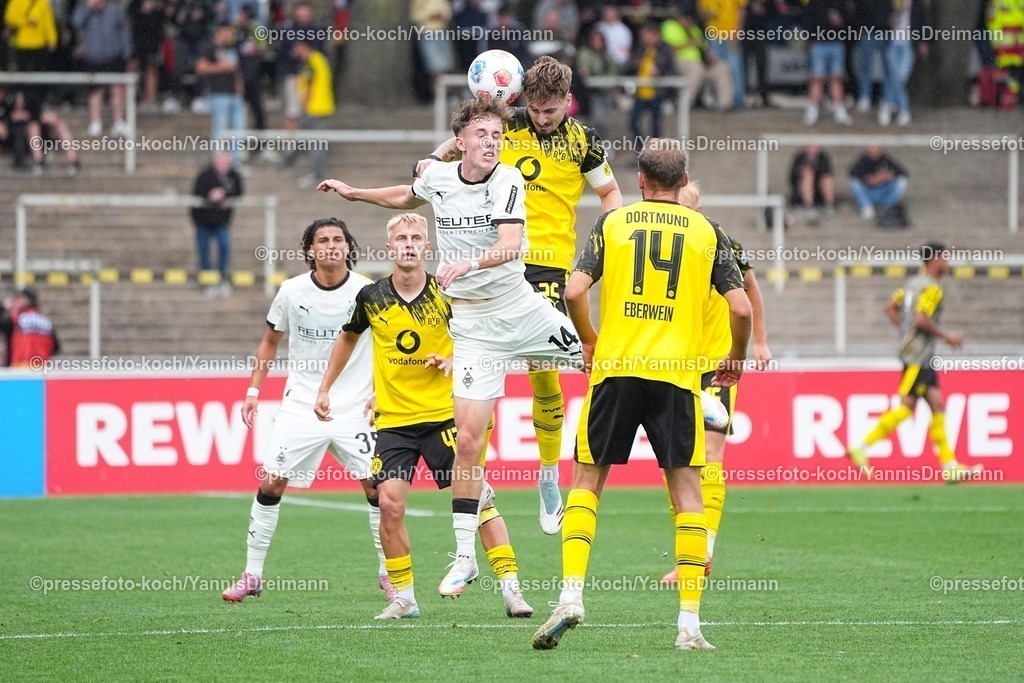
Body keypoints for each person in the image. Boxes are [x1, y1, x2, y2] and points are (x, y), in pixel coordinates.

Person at [318, 96, 584, 597]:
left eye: (498, 137)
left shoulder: (508, 180)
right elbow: (406, 196)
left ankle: (687, 389)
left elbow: (510, 244)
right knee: (467, 439)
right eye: (482, 135)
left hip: (519, 308)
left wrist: (468, 265)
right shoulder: (440, 177)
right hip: (476, 327)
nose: (492, 143)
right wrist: (354, 194)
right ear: (460, 141)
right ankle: (465, 555)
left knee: (595, 358)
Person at [531, 140, 751, 652]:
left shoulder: (614, 224)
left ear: (641, 182)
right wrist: (735, 358)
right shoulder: (707, 230)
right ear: (684, 179)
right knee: (688, 496)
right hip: (677, 377)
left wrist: (589, 340)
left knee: (588, 481)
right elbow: (740, 308)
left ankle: (570, 596)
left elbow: (573, 291)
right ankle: (690, 626)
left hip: (617, 368)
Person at [418, 56, 622, 535]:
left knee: (544, 376)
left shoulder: (585, 142)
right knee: (480, 385)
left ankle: (548, 476)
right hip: (498, 259)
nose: (541, 117)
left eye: (550, 110)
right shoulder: (507, 130)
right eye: (534, 109)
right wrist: (434, 157)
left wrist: (605, 239)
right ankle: (478, 482)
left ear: (566, 103)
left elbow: (611, 195)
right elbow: (466, 140)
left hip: (550, 262)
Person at [314, 212, 533, 620]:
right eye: (402, 238)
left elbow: (483, 333)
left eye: (417, 237)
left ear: (427, 247)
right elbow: (347, 336)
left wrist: (453, 357)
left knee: (478, 501)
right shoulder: (372, 298)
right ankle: (405, 598)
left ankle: (511, 590)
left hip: (447, 418)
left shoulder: (446, 293)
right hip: (395, 422)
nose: (409, 243)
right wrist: (325, 387)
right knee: (389, 504)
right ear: (389, 248)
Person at [221, 217, 391, 603]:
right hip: (300, 404)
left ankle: (388, 573)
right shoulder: (292, 291)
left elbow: (389, 345)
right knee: (272, 482)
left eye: (338, 239)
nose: (331, 245)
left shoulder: (370, 291)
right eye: (322, 240)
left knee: (377, 488)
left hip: (355, 409)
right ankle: (252, 574)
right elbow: (269, 342)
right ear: (310, 250)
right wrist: (252, 391)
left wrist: (382, 392)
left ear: (349, 247)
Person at [658, 179, 771, 586]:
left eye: (686, 212)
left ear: (699, 212)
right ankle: (689, 552)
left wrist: (758, 341)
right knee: (675, 460)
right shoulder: (662, 243)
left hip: (717, 364)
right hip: (673, 365)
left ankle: (704, 551)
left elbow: (750, 290)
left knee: (710, 451)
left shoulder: (722, 244)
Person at [846, 242, 984, 482]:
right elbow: (920, 320)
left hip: (919, 355)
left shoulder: (912, 285)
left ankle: (950, 466)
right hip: (918, 357)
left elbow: (890, 307)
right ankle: (861, 446)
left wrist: (904, 334)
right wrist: (947, 337)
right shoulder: (932, 289)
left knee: (936, 405)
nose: (948, 261)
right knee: (905, 409)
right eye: (944, 257)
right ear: (934, 261)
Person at [71, 0, 133, 137]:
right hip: (93, 58)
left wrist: (127, 53)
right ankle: (95, 122)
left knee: (117, 89)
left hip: (114, 56)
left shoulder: (115, 10)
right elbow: (76, 22)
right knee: (95, 91)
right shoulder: (84, 10)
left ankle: (118, 121)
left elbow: (124, 31)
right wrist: (88, 8)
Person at [280, 40, 333, 188]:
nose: (295, 51)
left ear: (304, 46)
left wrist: (305, 105)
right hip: (320, 107)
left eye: (297, 47)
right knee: (303, 138)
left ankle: (316, 174)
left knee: (315, 143)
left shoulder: (311, 62)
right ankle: (286, 163)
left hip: (313, 109)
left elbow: (310, 85)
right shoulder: (319, 59)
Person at [191, 151, 242, 297]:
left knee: (224, 247)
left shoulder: (233, 175)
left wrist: (225, 195)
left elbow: (239, 191)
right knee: (204, 251)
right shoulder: (205, 175)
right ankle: (207, 282)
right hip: (203, 221)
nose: (226, 166)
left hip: (221, 222)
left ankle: (222, 279)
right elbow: (196, 195)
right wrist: (210, 196)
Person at [661, 6, 732, 111]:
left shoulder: (694, 28)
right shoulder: (670, 26)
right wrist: (688, 43)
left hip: (700, 62)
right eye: (685, 17)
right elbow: (667, 49)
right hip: (680, 62)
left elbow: (703, 47)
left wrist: (710, 57)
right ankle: (684, 105)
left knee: (722, 68)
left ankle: (724, 105)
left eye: (689, 17)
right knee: (696, 70)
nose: (687, 20)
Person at [196, 20, 246, 163]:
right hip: (218, 93)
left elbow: (236, 69)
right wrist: (222, 67)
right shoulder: (209, 46)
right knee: (220, 129)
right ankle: (218, 161)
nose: (229, 34)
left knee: (238, 130)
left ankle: (236, 163)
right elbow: (201, 67)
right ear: (219, 30)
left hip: (235, 95)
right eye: (227, 31)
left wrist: (239, 86)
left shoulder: (233, 47)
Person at [879, 0, 929, 127]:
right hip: (891, 45)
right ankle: (904, 109)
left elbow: (923, 24)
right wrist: (888, 22)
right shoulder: (888, 4)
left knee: (901, 77)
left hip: (908, 46)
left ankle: (888, 103)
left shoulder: (917, 5)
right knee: (893, 75)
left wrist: (923, 41)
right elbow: (879, 22)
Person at [803, 0, 852, 126]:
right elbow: (807, 21)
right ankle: (812, 110)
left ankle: (839, 110)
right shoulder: (814, 3)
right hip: (819, 44)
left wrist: (841, 25)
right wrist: (811, 40)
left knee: (836, 78)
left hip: (837, 44)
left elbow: (849, 21)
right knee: (817, 78)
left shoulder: (841, 3)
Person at [629, 21, 676, 147]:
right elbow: (629, 64)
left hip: (657, 93)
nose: (644, 39)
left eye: (647, 35)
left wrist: (659, 72)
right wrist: (634, 64)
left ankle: (656, 154)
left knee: (656, 126)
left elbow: (672, 70)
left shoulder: (665, 49)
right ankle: (642, 149)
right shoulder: (640, 48)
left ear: (655, 35)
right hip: (640, 92)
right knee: (633, 121)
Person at [700, 0, 747, 109]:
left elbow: (741, 12)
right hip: (713, 36)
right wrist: (709, 14)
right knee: (718, 69)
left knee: (734, 69)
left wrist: (738, 32)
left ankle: (737, 101)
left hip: (731, 34)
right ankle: (722, 101)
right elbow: (701, 13)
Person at [0, 287, 60, 368]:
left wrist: (3, 308)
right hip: (41, 369)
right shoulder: (46, 322)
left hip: (19, 368)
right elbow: (56, 347)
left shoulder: (15, 318)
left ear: (25, 300)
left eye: (18, 298)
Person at [849, 145, 907, 221]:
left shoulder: (886, 160)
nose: (874, 151)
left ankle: (888, 206)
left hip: (883, 192)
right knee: (854, 182)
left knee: (901, 181)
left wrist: (887, 176)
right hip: (868, 192)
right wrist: (868, 178)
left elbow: (902, 172)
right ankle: (866, 207)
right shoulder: (863, 160)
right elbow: (852, 173)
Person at [4, 0, 58, 72]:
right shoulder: (16, 1)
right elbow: (10, 18)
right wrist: (27, 21)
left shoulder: (43, 3)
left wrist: (52, 40)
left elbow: (48, 23)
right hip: (22, 44)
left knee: (39, 72)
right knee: (21, 71)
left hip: (39, 44)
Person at [789, 145, 836, 222]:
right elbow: (792, 177)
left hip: (819, 192)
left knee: (827, 178)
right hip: (801, 192)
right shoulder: (800, 158)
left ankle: (829, 206)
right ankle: (809, 207)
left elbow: (827, 172)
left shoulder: (823, 158)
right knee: (808, 175)